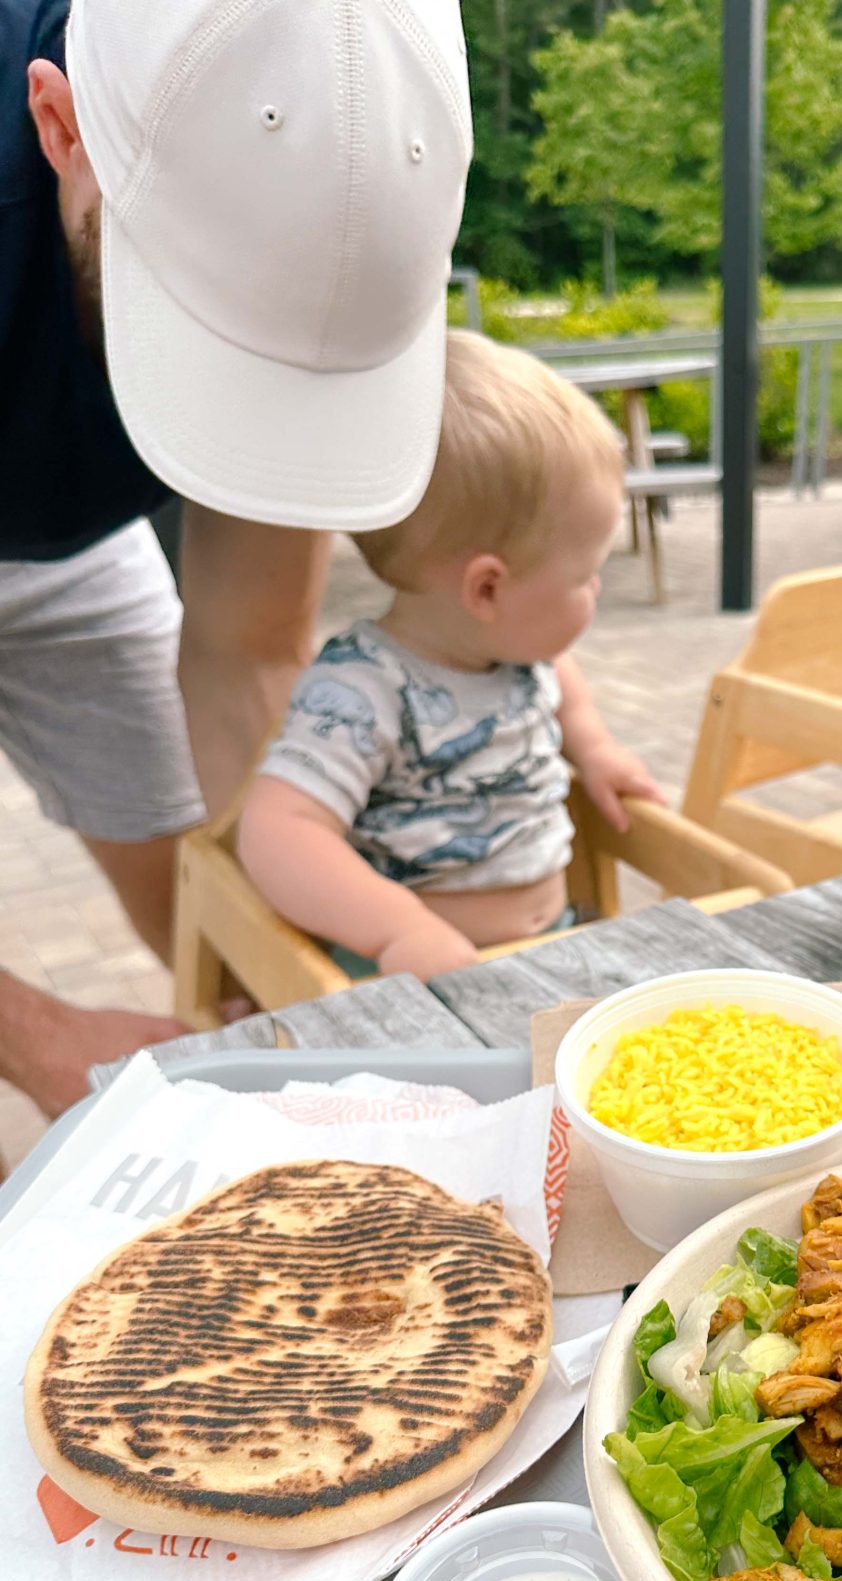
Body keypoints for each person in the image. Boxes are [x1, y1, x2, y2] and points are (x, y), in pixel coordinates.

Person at [0, 0, 472, 1116]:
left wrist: (314, 974)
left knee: (205, 896)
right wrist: (43, 1036)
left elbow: (248, 645)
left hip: (74, 548)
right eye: (212, 335)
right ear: (62, 128)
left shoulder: (371, 142)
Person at [238, 332, 663, 981]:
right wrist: (399, 931)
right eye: (586, 576)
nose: (596, 591)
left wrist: (595, 747)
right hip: (417, 977)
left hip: (551, 946)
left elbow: (559, 680)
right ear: (487, 588)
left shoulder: (520, 652)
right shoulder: (365, 690)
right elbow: (276, 830)